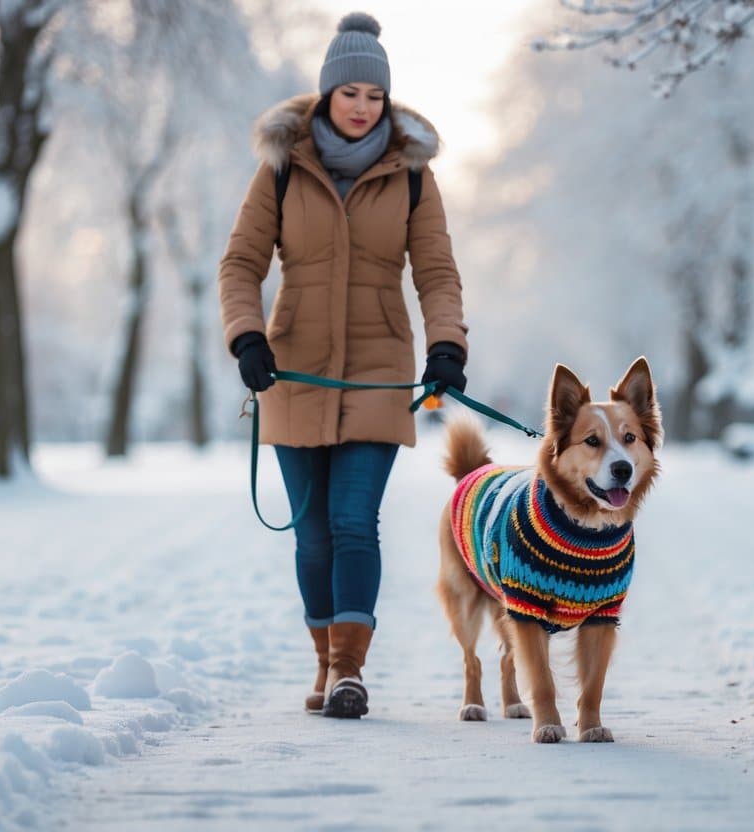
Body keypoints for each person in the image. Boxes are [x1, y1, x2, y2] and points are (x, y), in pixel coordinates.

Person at [217, 12, 469, 719]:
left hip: (379, 368)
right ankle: (326, 664)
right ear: (326, 93)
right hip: (294, 368)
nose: (362, 107)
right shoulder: (280, 166)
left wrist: (446, 344)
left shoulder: (413, 176)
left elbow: (438, 274)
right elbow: (240, 263)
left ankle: (349, 674)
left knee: (354, 518)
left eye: (374, 95)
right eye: (349, 92)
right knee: (312, 530)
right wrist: (246, 337)